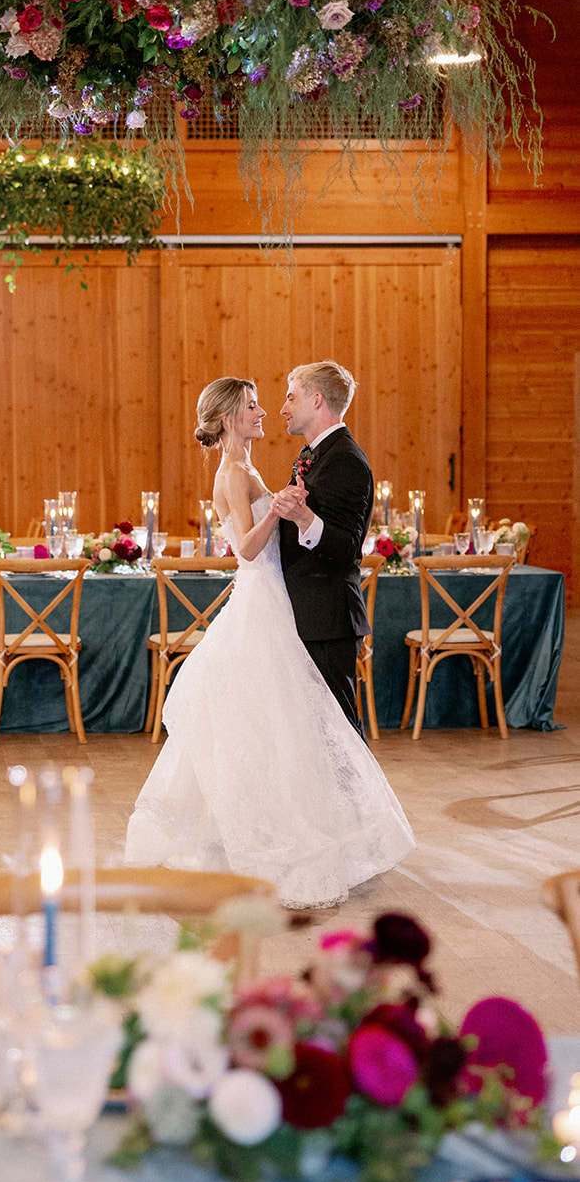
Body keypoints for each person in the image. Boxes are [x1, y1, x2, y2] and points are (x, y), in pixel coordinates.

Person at [124, 375, 413, 909]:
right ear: (233, 416)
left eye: (276, 401)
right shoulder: (234, 471)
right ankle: (277, 839)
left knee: (289, 729)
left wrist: (287, 509)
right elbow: (247, 549)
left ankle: (324, 836)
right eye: (255, 406)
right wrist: (283, 511)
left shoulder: (256, 466)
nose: (268, 413)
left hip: (282, 603)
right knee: (275, 730)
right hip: (265, 603)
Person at [274, 361, 374, 737]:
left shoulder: (345, 459)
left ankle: (362, 799)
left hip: (327, 617)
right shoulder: (314, 454)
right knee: (312, 734)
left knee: (339, 732)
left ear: (316, 400)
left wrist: (303, 519)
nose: (283, 408)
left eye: (290, 397)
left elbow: (347, 548)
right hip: (307, 615)